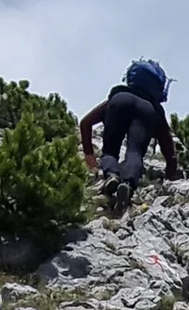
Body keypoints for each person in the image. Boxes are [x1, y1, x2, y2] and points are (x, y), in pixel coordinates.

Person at [78, 70, 182, 213]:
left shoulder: (118, 95)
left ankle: (112, 176)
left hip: (120, 102)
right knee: (135, 152)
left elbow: (85, 122)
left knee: (110, 151)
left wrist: (89, 153)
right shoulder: (155, 108)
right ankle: (127, 185)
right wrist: (171, 171)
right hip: (147, 111)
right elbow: (167, 143)